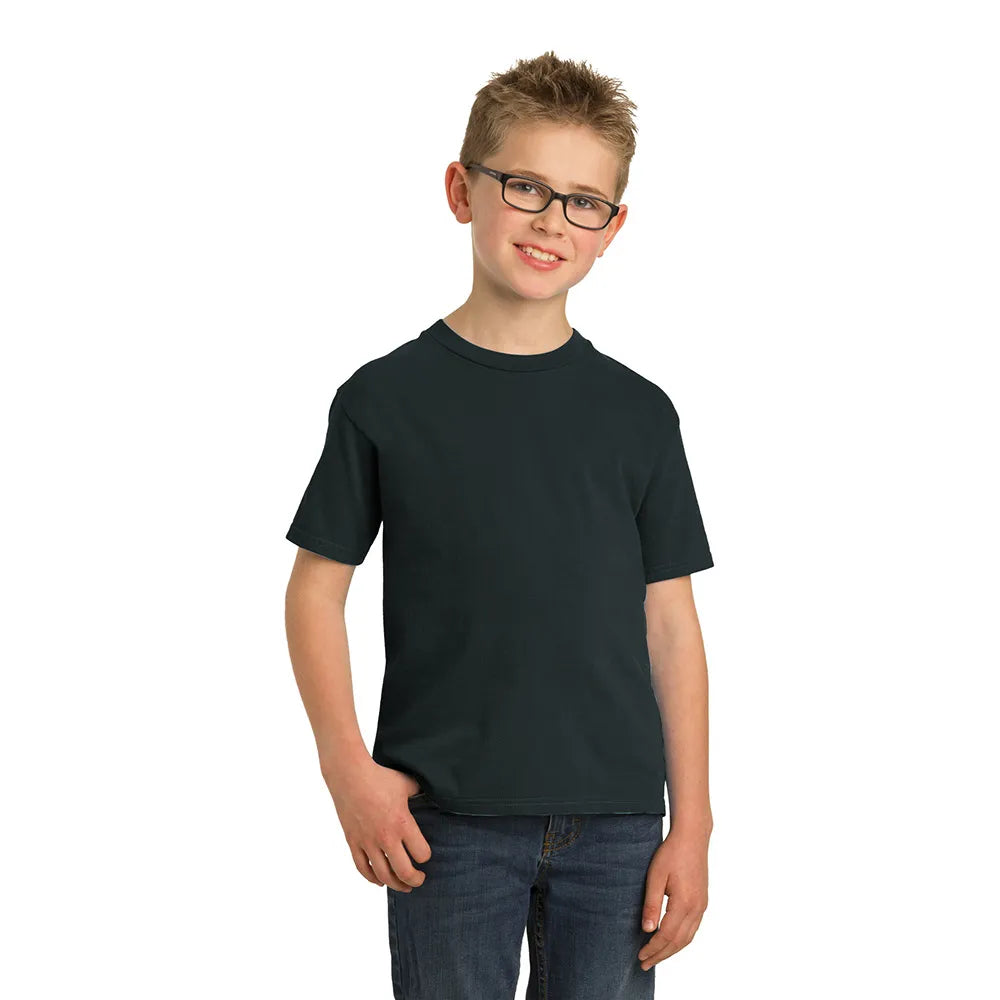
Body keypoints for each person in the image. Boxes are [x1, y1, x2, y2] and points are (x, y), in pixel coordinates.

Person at [284, 50, 715, 1000]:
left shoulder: (640, 415)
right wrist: (347, 769)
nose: (552, 220)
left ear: (612, 227)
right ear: (461, 190)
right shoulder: (383, 399)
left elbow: (671, 624)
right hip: (446, 823)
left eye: (583, 201)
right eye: (526, 186)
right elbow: (315, 590)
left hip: (617, 830)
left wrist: (693, 824)